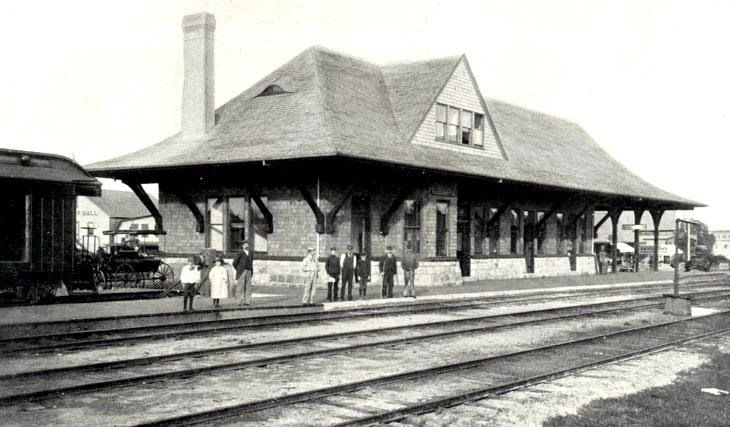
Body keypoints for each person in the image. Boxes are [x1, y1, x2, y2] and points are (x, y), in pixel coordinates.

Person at [233, 240, 254, 306]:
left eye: (247, 245)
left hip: (249, 270)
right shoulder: (240, 252)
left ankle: (247, 301)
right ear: (242, 246)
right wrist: (239, 269)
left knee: (248, 287)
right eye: (245, 245)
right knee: (240, 287)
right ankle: (238, 302)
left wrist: (251, 270)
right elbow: (234, 263)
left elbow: (251, 262)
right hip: (242, 271)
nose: (246, 246)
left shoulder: (250, 253)